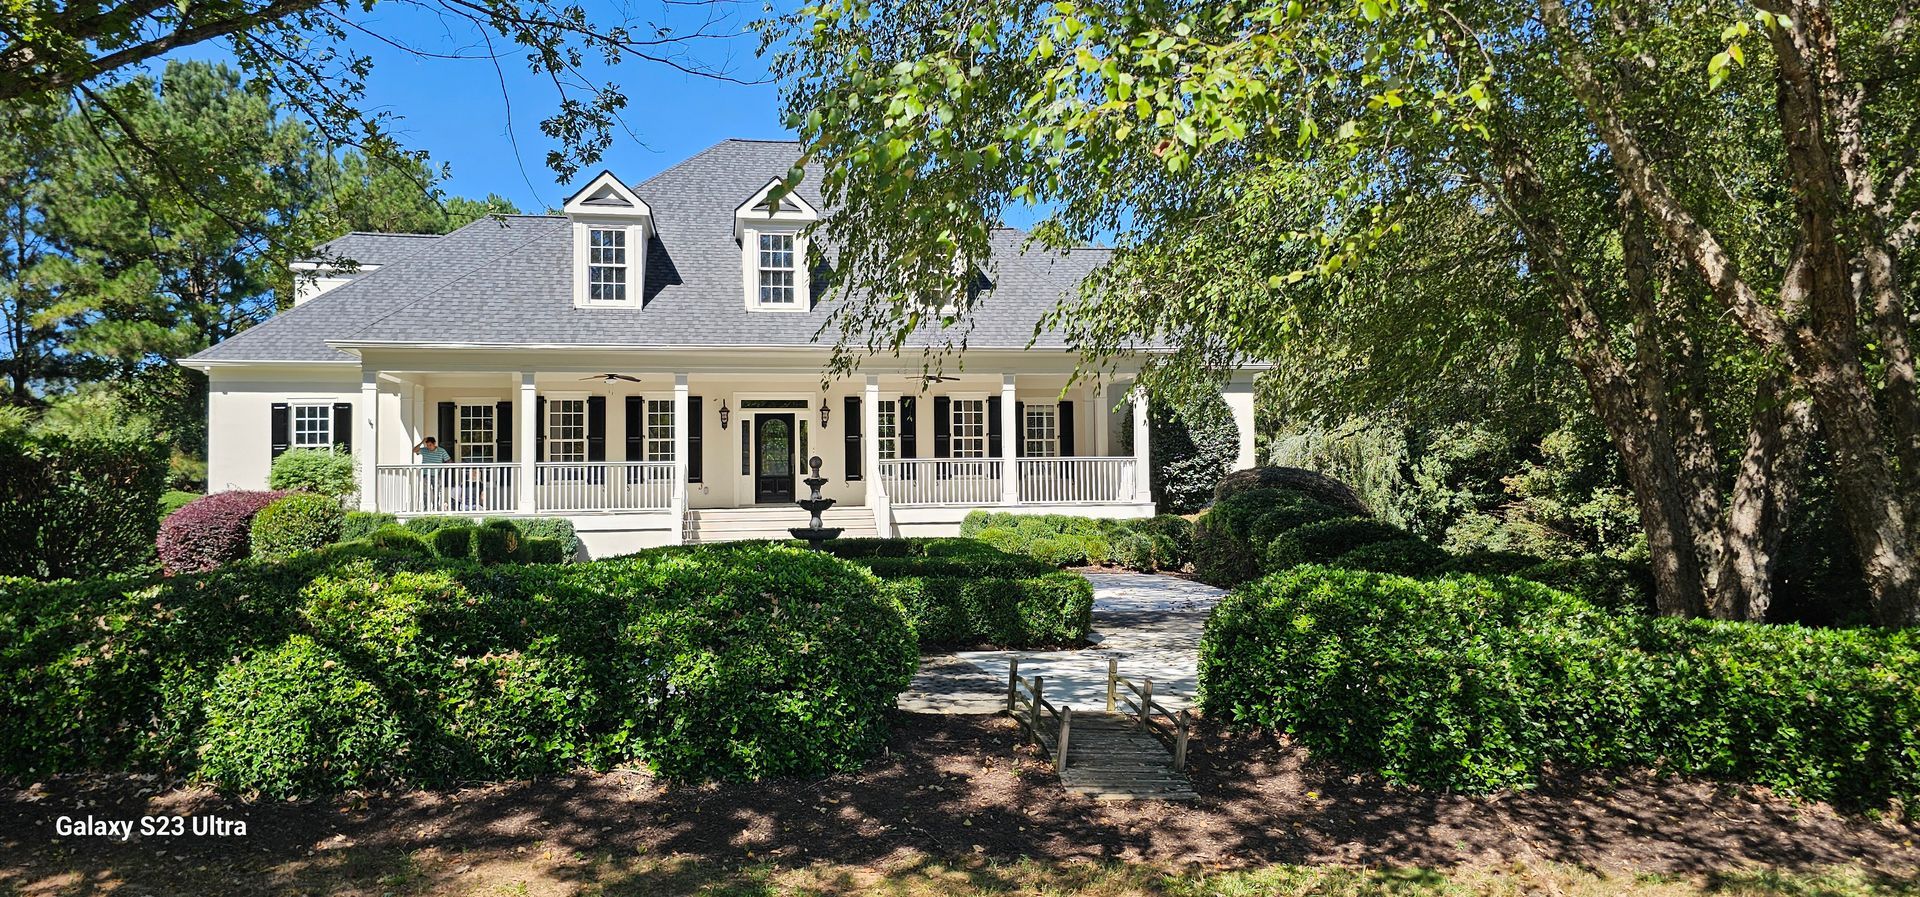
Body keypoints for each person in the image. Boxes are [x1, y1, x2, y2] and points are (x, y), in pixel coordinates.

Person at [413, 437, 452, 510]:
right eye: (427, 445)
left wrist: (443, 471)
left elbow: (449, 461)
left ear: (434, 443)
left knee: (436, 492)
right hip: (426, 474)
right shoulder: (424, 450)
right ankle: (426, 508)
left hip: (437, 475)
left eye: (430, 445)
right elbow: (414, 450)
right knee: (425, 492)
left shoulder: (441, 451)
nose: (428, 447)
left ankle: (435, 507)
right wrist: (422, 442)